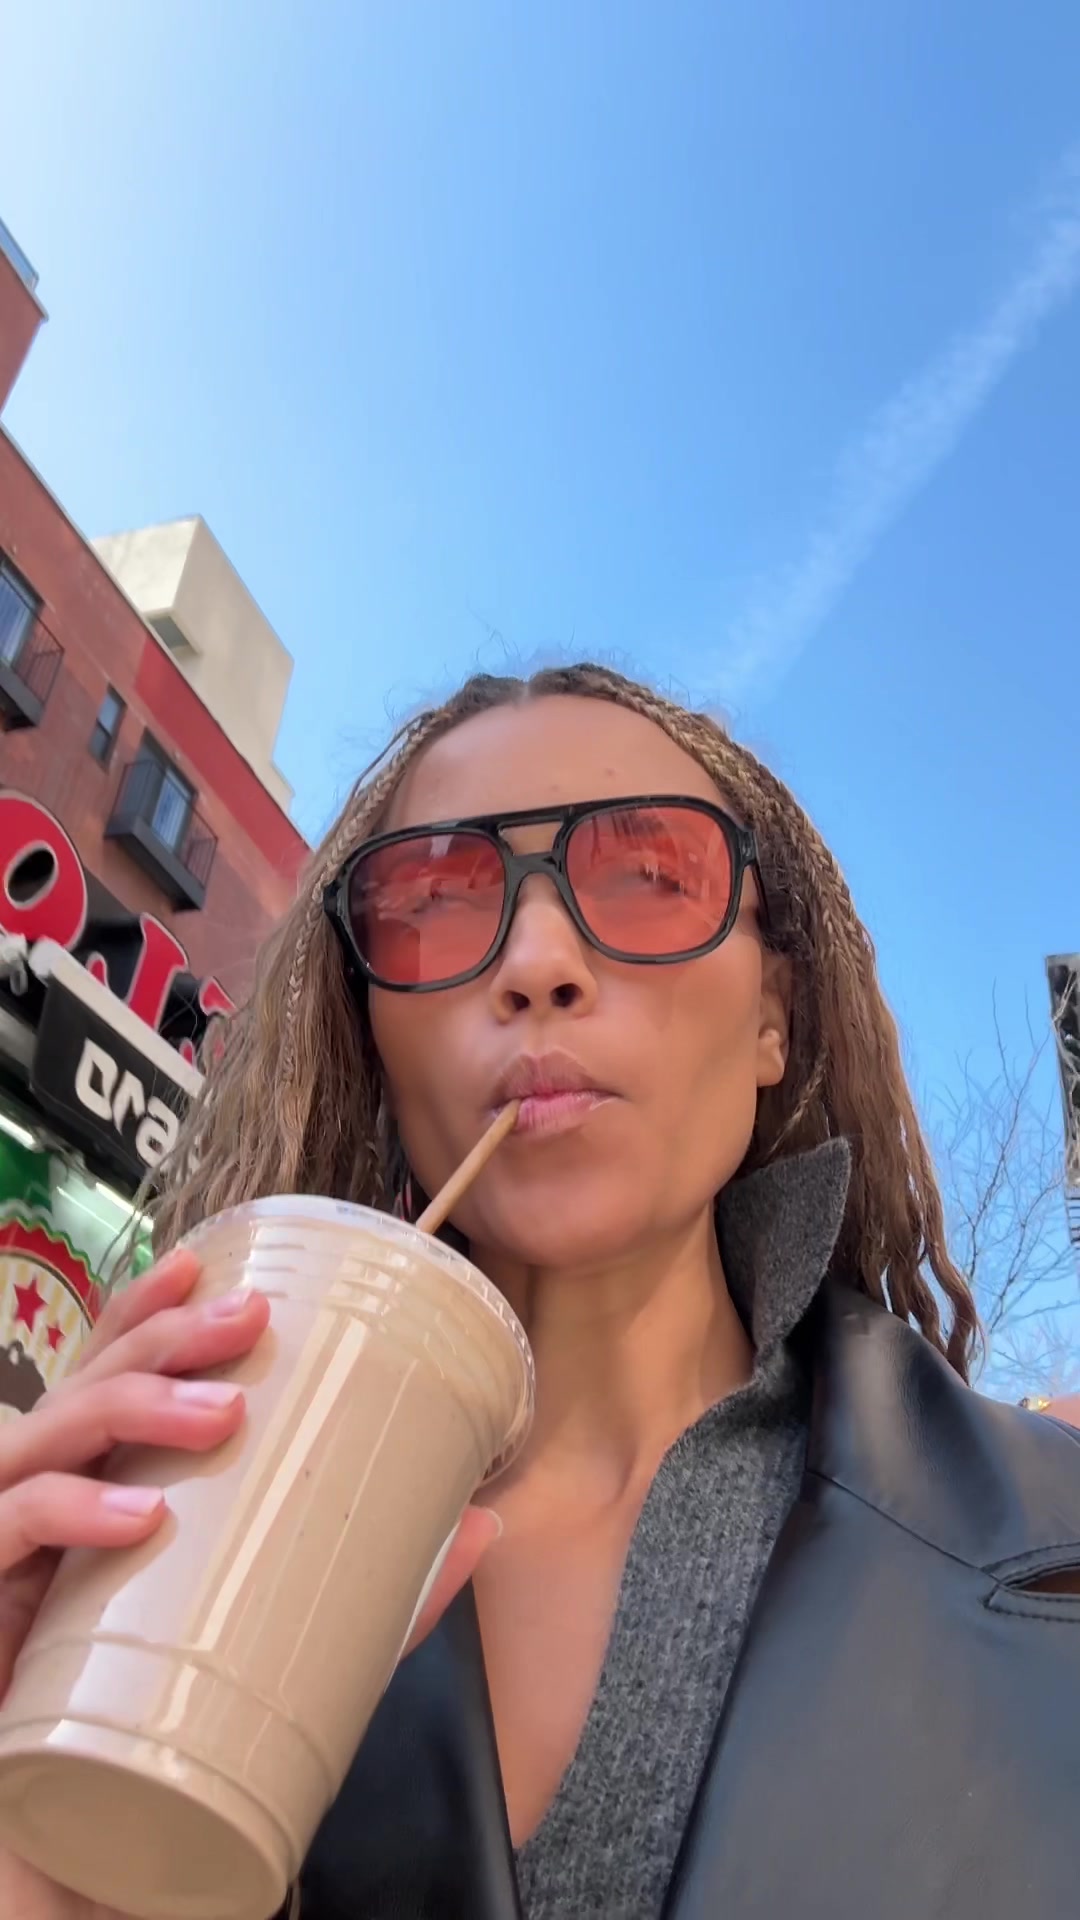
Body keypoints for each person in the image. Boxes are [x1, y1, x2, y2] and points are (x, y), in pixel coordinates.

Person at [1, 663, 1078, 1920]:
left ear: (773, 1020)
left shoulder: (1055, 1534)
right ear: (370, 1032)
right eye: (435, 901)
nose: (537, 961)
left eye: (652, 874)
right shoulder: (180, 1559)